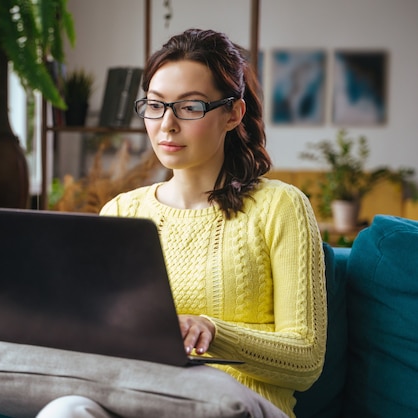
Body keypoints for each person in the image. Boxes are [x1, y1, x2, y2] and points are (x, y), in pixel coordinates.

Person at [40, 28, 326, 418]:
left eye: (190, 107)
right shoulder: (121, 212)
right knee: (66, 410)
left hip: (241, 405)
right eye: (155, 106)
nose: (167, 125)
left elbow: (306, 361)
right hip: (143, 400)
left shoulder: (280, 206)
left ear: (233, 114)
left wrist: (211, 332)